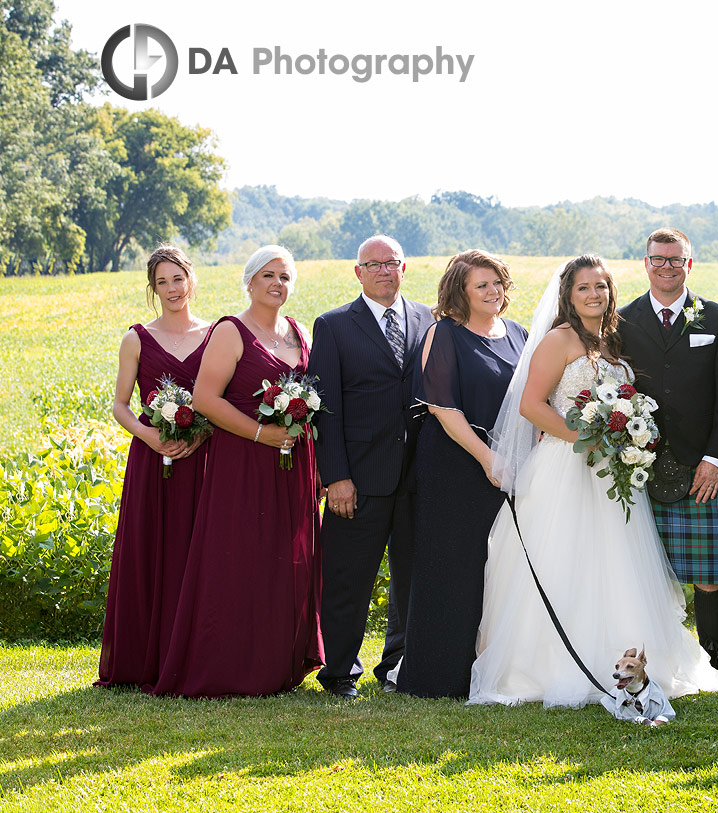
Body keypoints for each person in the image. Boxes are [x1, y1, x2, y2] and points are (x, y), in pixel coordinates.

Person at [468, 255, 718, 707]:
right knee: (566, 561)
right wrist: (584, 439)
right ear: (568, 296)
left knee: (613, 563)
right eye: (584, 288)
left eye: (602, 287)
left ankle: (625, 658)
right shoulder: (560, 339)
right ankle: (547, 665)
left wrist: (628, 432)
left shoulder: (611, 341)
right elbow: (532, 405)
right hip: (565, 468)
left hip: (611, 472)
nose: (595, 295)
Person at [149, 246, 323, 697]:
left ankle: (281, 661)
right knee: (241, 558)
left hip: (293, 465)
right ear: (249, 281)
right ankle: (232, 665)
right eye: (267, 275)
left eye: (284, 277)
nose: (276, 284)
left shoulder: (300, 332)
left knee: (287, 560)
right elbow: (207, 399)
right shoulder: (231, 331)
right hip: (243, 462)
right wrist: (262, 436)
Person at [308, 235, 433, 698]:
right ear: (357, 272)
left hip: (418, 476)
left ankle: (398, 665)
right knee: (348, 578)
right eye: (373, 264)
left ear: (404, 268)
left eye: (391, 263)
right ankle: (339, 671)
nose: (384, 271)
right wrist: (335, 477)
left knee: (413, 579)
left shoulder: (427, 318)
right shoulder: (335, 325)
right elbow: (325, 408)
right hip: (358, 479)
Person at [402, 250, 527, 698]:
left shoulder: (518, 334)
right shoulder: (445, 333)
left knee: (500, 570)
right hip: (457, 463)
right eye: (482, 285)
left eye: (497, 283)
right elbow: (442, 406)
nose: (493, 291)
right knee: (452, 567)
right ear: (461, 291)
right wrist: (487, 459)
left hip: (507, 463)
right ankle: (439, 678)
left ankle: (493, 669)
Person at [618, 228, 718, 671]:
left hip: (699, 466)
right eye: (658, 259)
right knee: (640, 572)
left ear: (689, 264)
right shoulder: (624, 319)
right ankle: (647, 659)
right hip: (639, 465)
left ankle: (709, 660)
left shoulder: (717, 318)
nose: (667, 267)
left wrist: (715, 460)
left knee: (709, 575)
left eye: (676, 259)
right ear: (645, 262)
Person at [96, 246, 211, 688]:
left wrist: (202, 434)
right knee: (153, 549)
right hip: (152, 457)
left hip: (203, 457)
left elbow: (220, 398)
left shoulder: (216, 333)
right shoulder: (137, 339)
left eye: (177, 279)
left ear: (191, 279)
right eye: (161, 282)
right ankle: (146, 656)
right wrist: (148, 435)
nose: (172, 290)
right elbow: (121, 406)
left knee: (197, 549)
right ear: (152, 288)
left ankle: (196, 654)